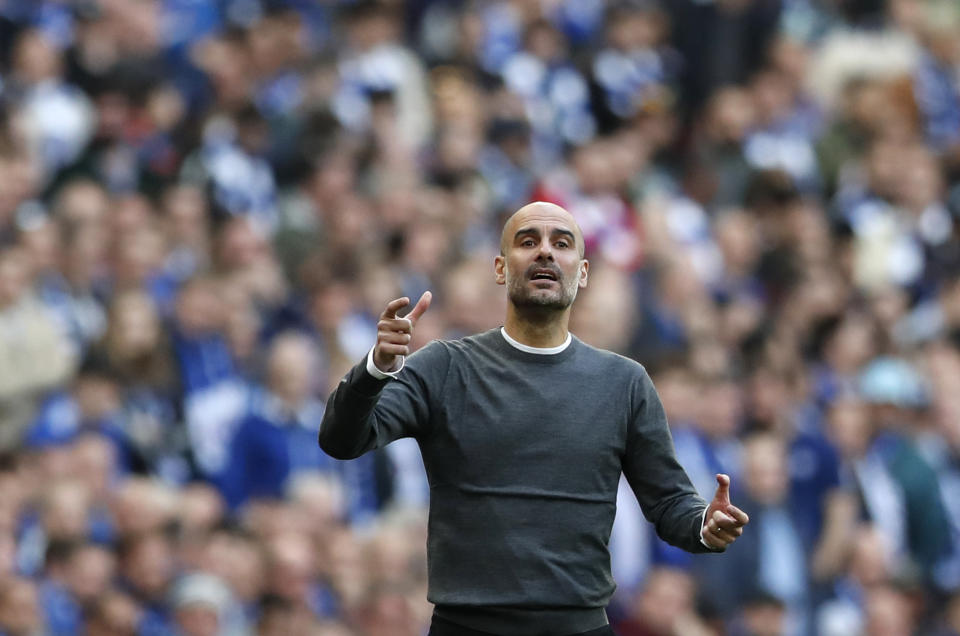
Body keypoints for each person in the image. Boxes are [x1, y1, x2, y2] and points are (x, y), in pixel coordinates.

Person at [319, 201, 749, 635]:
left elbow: (669, 500)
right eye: (528, 241)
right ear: (501, 269)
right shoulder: (444, 367)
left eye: (561, 243)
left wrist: (703, 525)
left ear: (581, 273)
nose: (545, 251)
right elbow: (342, 440)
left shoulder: (625, 382)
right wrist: (376, 367)